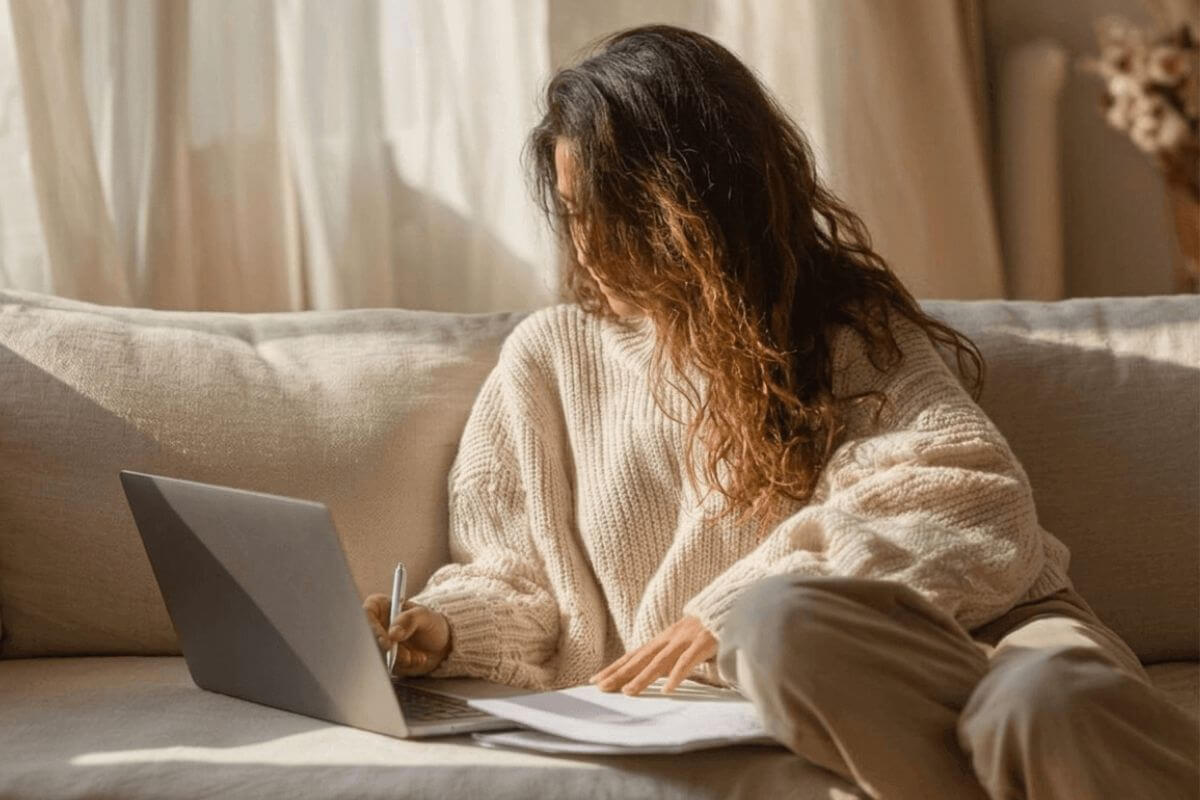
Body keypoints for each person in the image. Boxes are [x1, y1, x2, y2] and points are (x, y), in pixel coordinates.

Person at [363, 23, 1199, 800]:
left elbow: (973, 495)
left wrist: (729, 606)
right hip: (815, 681)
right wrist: (442, 628)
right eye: (575, 214)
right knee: (782, 629)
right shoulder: (547, 361)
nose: (587, 247)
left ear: (695, 204)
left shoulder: (841, 329)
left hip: (1003, 630)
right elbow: (515, 574)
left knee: (1039, 699)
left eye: (614, 216)